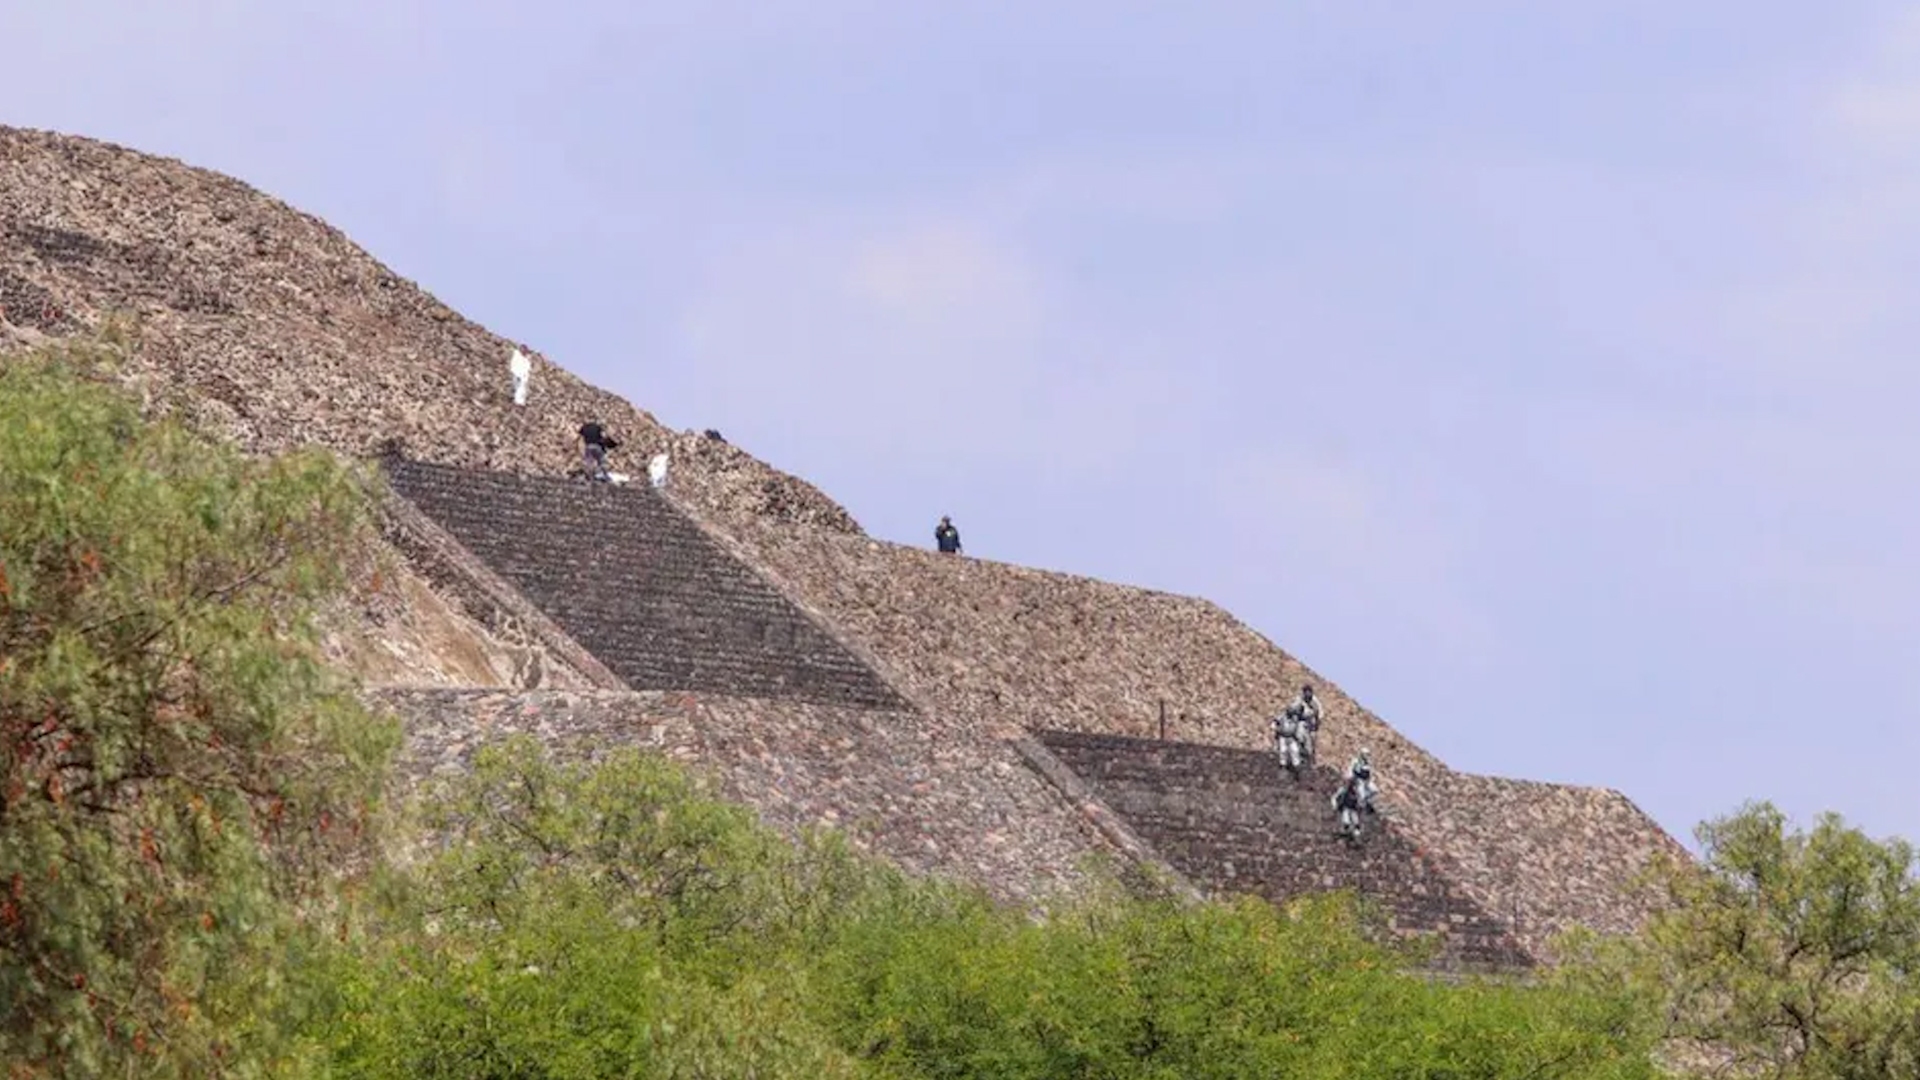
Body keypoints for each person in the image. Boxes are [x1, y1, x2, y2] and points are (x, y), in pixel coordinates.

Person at [1331, 748, 1378, 843]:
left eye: (1367, 754)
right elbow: (1350, 771)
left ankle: (1367, 803)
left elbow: (1370, 774)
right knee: (1359, 794)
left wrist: (1369, 780)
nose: (1366, 756)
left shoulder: (1367, 763)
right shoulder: (1356, 761)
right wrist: (1351, 778)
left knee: (1374, 790)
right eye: (1365, 754)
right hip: (1357, 780)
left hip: (1365, 781)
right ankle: (1346, 832)